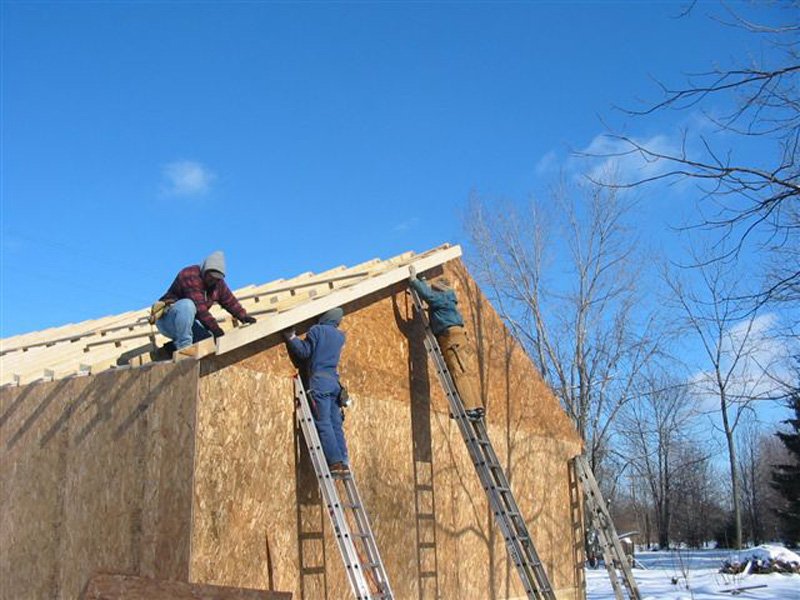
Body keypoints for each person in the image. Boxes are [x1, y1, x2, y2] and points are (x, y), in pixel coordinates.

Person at [408, 266, 485, 421]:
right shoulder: (447, 299)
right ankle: (477, 407)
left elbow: (428, 295)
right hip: (459, 337)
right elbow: (430, 293)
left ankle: (468, 408)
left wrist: (414, 280)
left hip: (451, 339)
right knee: (466, 372)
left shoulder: (442, 298)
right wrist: (423, 280)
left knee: (458, 372)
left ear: (440, 290)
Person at [284, 308, 349, 474]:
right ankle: (343, 460)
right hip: (334, 384)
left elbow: (304, 352)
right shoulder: (340, 336)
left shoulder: (317, 331)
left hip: (319, 383)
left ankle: (334, 462)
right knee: (336, 424)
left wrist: (291, 337)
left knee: (323, 421)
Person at [155, 250, 256, 351]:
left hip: (190, 322)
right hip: (168, 319)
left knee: (207, 341)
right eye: (211, 277)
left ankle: (170, 349)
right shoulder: (190, 275)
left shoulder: (218, 283)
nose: (213, 281)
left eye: (217, 279)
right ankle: (184, 348)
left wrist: (244, 316)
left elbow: (229, 301)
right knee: (187, 305)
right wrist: (216, 329)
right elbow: (200, 309)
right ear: (205, 271)